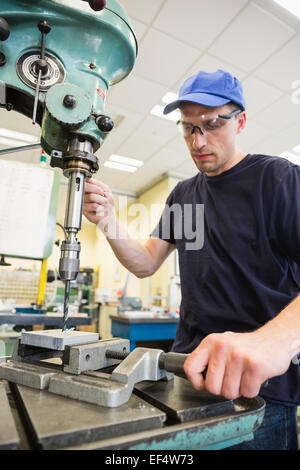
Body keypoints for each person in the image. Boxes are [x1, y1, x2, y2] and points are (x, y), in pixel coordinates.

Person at [83, 69, 300, 450]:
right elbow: (146, 263)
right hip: (188, 375)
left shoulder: (277, 179)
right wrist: (109, 222)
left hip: (259, 389)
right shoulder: (185, 196)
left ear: (241, 121)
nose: (197, 140)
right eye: (188, 128)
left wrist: (272, 342)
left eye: (211, 124)